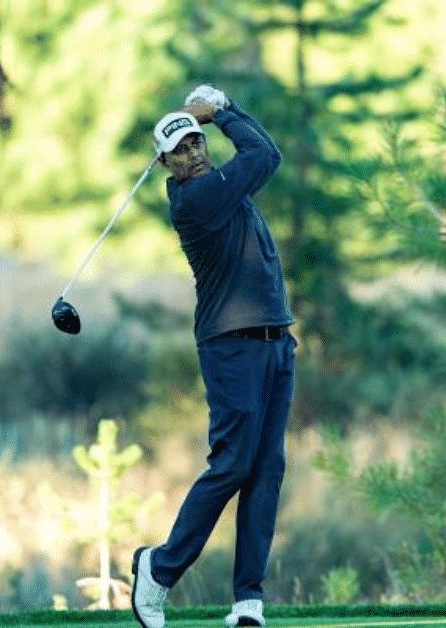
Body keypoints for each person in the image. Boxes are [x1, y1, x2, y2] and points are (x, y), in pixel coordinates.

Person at [130, 85, 296, 628]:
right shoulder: (199, 201)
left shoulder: (222, 187)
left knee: (266, 468)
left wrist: (218, 117)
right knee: (231, 465)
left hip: (276, 343)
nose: (195, 151)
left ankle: (248, 600)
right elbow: (265, 155)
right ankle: (159, 569)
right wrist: (224, 112)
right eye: (181, 149)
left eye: (198, 140)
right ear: (165, 164)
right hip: (232, 347)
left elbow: (255, 160)